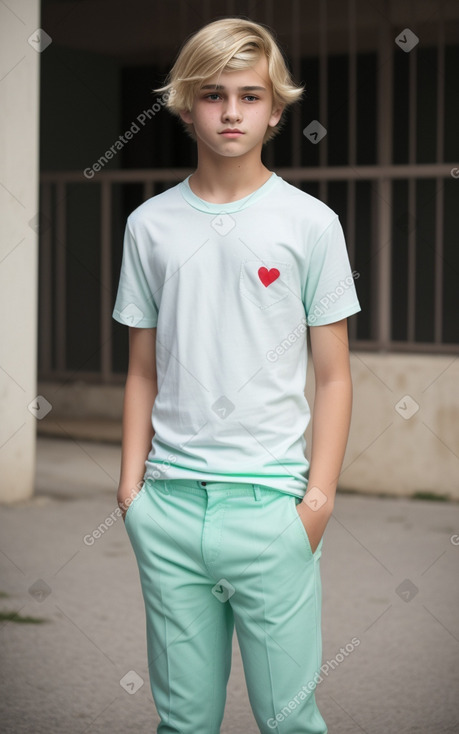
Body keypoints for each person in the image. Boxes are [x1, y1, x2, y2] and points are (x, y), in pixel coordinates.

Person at [112, 16, 361, 734]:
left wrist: (314, 503)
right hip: (169, 505)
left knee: (287, 720)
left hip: (272, 509)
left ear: (275, 109)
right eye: (212, 94)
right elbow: (140, 373)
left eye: (249, 96)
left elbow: (335, 376)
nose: (229, 111)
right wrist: (131, 493)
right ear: (185, 105)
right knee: (183, 723)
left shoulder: (310, 223)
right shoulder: (149, 226)